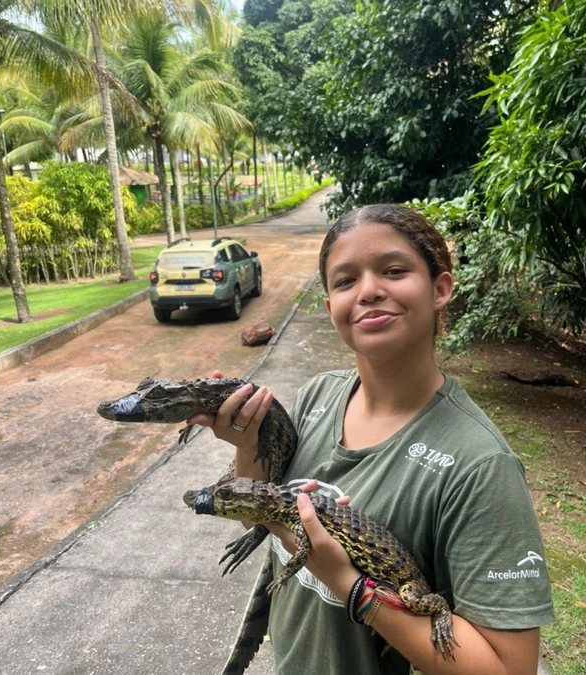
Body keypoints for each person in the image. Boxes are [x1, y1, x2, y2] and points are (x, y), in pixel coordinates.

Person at [189, 204, 553, 674]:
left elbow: (512, 670)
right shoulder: (318, 394)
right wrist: (247, 442)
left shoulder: (481, 465)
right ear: (330, 308)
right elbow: (264, 517)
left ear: (440, 288)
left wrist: (350, 583)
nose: (368, 291)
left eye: (394, 270)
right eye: (345, 281)